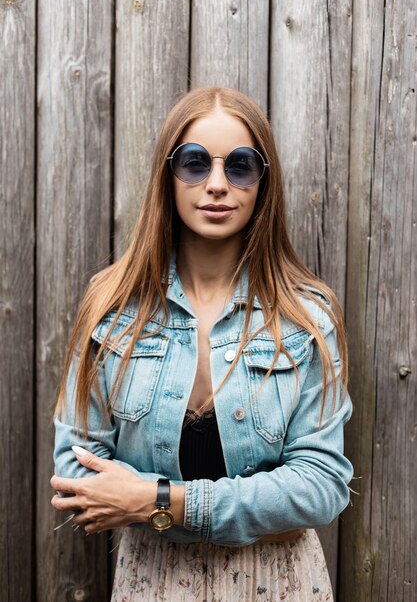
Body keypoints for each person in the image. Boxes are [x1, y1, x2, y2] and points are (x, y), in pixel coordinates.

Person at [51, 86, 354, 601]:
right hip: (152, 585)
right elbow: (77, 476)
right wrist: (265, 513)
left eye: (239, 166)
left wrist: (155, 501)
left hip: (278, 585)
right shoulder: (112, 310)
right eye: (195, 163)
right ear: (167, 176)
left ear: (263, 182)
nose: (216, 185)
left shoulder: (306, 318)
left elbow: (321, 487)